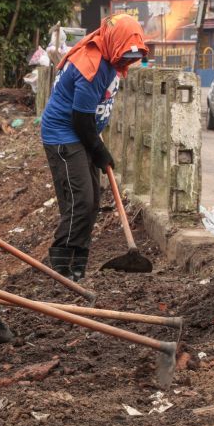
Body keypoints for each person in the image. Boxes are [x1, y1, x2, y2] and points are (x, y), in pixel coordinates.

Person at [40, 14, 147, 282]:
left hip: (82, 133)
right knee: (80, 202)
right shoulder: (93, 65)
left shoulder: (110, 58)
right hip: (64, 135)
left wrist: (96, 145)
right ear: (113, 42)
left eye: (131, 57)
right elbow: (80, 117)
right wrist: (98, 149)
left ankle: (78, 267)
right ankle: (61, 268)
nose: (127, 62)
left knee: (92, 203)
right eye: (125, 55)